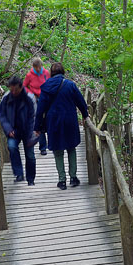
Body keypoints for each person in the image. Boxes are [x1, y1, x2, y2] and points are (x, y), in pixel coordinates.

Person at [34, 62, 89, 190]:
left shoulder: (46, 87)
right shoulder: (70, 85)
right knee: (71, 148)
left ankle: (62, 180)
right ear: (63, 72)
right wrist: (85, 115)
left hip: (53, 122)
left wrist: (37, 127)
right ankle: (73, 177)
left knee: (58, 151)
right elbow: (80, 101)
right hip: (70, 120)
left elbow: (40, 110)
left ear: (51, 73)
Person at [0, 75, 36, 186]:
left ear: (21, 87)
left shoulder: (29, 98)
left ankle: (30, 179)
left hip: (27, 130)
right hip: (13, 130)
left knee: (30, 154)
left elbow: (33, 116)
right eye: (11, 90)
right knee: (12, 147)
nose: (13, 92)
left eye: (16, 89)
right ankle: (19, 174)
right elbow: (2, 115)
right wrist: (8, 129)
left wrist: (32, 133)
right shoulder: (6, 98)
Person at [23, 57, 50, 156]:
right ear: (33, 67)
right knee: (39, 121)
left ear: (41, 66)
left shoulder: (46, 73)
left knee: (49, 119)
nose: (38, 69)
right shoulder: (29, 75)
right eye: (36, 67)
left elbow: (50, 83)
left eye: (39, 67)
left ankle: (51, 143)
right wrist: (31, 93)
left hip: (46, 98)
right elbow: (24, 86)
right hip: (36, 99)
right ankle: (43, 147)